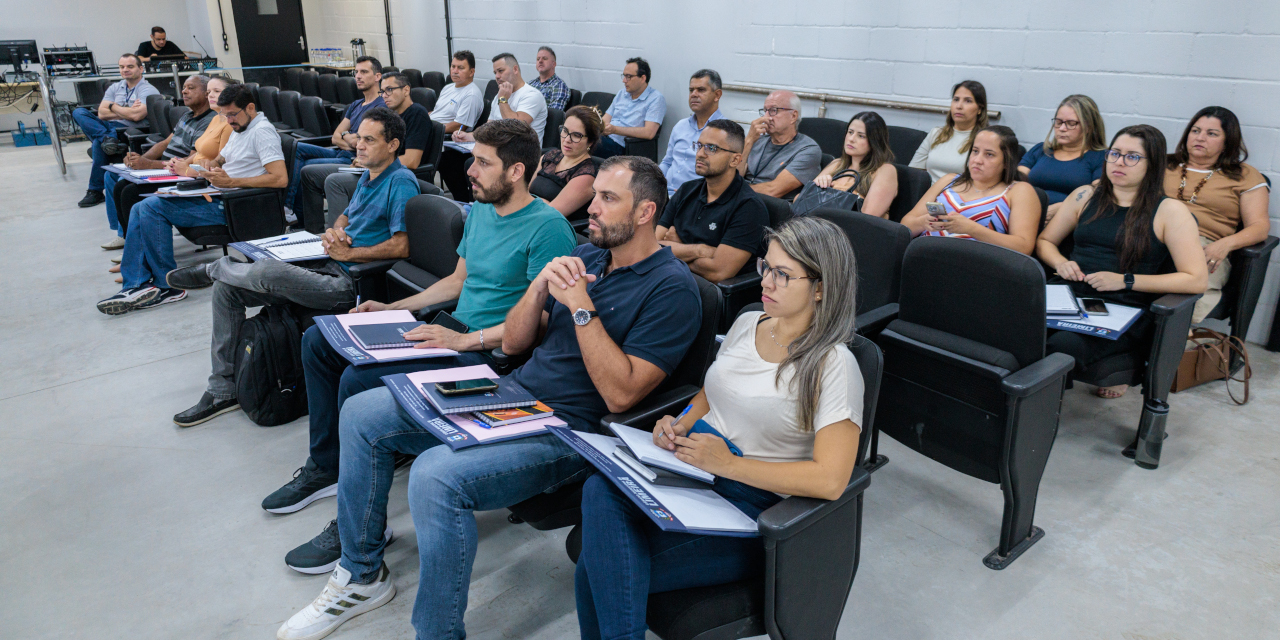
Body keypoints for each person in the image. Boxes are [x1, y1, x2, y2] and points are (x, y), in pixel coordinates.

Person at [276, 156, 702, 640]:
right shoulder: (595, 259)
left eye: (608, 198)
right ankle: (361, 572)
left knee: (436, 477)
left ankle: (437, 633)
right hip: (515, 392)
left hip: (572, 432)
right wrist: (541, 284)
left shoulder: (673, 290)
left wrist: (581, 307)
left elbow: (622, 394)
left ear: (645, 212)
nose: (594, 208)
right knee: (362, 412)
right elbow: (519, 342)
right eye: (596, 194)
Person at [263, 119, 577, 576]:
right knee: (320, 341)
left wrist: (465, 339)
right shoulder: (484, 209)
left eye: (483, 162)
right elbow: (458, 280)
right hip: (450, 330)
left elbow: (537, 325)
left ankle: (362, 524)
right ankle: (326, 468)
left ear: (515, 171)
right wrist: (394, 310)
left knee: (357, 379)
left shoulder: (548, 228)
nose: (470, 169)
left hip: (488, 352)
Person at [575, 215, 864, 640]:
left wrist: (729, 465)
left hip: (756, 511)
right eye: (767, 267)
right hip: (698, 476)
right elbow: (717, 389)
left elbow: (831, 479)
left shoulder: (834, 364)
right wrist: (681, 421)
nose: (765, 281)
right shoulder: (750, 322)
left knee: (598, 569)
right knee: (598, 489)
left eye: (783, 275)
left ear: (820, 287)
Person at [164, 107, 417, 426]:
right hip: (326, 262)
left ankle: (211, 269)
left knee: (268, 271)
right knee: (228, 290)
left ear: (393, 144)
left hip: (348, 284)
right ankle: (222, 389)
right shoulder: (369, 175)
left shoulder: (402, 181)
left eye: (369, 139)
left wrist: (348, 255)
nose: (359, 145)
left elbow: (403, 244)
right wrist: (334, 229)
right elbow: (347, 215)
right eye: (359, 138)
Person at [1037, 125, 1207, 404]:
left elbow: (1196, 279)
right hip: (1068, 294)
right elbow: (1045, 241)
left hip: (1123, 306)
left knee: (1061, 348)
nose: (1119, 162)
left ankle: (1033, 422)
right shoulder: (1085, 196)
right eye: (1114, 154)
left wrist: (1126, 280)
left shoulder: (1170, 212)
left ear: (1152, 165)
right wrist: (1061, 262)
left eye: (1132, 157)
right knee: (1019, 331)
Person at [95, 83, 287, 316]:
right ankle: (136, 283)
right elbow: (220, 160)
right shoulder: (240, 128)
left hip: (237, 205)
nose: (229, 121)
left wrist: (232, 182)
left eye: (232, 115)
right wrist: (209, 166)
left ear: (250, 107)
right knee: (140, 206)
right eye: (225, 116)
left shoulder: (262, 132)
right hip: (218, 193)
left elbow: (279, 179)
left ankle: (166, 286)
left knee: (150, 207)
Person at [1163, 106, 1271, 323]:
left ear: (1227, 142)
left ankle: (1172, 340)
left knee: (1187, 285)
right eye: (1195, 131)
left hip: (1204, 245)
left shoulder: (1245, 175)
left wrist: (1225, 244)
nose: (1200, 138)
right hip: (1154, 236)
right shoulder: (1163, 164)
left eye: (1211, 134)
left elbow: (1260, 227)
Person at [296, 71, 433, 231]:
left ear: (406, 90)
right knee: (308, 172)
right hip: (370, 169)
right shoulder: (389, 116)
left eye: (390, 90)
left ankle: (341, 235)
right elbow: (347, 136)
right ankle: (316, 233)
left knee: (334, 181)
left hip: (389, 175)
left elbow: (411, 160)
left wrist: (366, 164)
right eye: (382, 91)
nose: (385, 96)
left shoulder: (416, 113)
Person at [102, 75, 215, 253]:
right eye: (184, 87)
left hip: (181, 175)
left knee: (129, 192)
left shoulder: (209, 121)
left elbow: (189, 162)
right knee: (120, 186)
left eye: (191, 88)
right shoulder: (187, 115)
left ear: (206, 93)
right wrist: (138, 159)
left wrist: (147, 164)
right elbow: (164, 143)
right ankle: (131, 244)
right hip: (165, 168)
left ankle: (138, 252)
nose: (184, 91)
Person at [657, 119, 768, 283]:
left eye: (711, 148)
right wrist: (700, 250)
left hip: (709, 295)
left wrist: (677, 248)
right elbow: (652, 246)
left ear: (735, 160)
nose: (700, 153)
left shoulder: (749, 207)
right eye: (699, 145)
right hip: (668, 278)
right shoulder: (686, 190)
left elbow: (718, 272)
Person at [901, 125, 1040, 255]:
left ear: (1006, 161)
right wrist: (923, 222)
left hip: (974, 267)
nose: (977, 160)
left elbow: (1024, 247)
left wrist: (971, 229)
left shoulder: (1018, 190)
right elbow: (905, 225)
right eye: (975, 151)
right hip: (924, 256)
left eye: (989, 154)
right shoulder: (949, 180)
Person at [438, 53, 548, 201]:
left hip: (518, 152)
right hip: (497, 149)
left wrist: (503, 99)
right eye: (495, 72)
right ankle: (465, 202)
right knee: (447, 160)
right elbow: (489, 127)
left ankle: (479, 202)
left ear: (515, 69)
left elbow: (517, 126)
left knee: (471, 163)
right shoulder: (500, 95)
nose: (497, 76)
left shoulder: (531, 95)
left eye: (501, 71)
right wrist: (468, 136)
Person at [285, 56, 385, 214]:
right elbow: (335, 136)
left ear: (377, 76)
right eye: (356, 72)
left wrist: (350, 140)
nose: (358, 76)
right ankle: (290, 207)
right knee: (295, 147)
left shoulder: (381, 105)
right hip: (340, 151)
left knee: (305, 166)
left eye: (364, 72)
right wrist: (348, 136)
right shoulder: (356, 105)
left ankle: (295, 212)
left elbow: (362, 142)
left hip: (352, 158)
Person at [73, 53, 161, 212]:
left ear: (141, 69)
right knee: (79, 112)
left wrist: (113, 107)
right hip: (109, 127)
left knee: (99, 144)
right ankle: (107, 138)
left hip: (128, 130)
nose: (125, 70)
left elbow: (137, 116)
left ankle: (95, 190)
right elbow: (101, 113)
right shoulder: (116, 87)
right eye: (122, 67)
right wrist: (127, 110)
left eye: (130, 66)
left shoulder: (147, 89)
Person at [1018, 94, 1107, 223]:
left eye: (1071, 124)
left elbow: (1096, 196)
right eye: (1058, 122)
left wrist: (1062, 208)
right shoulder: (1041, 150)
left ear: (1088, 126)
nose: (1062, 128)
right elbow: (1016, 182)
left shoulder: (1099, 157)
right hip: (1027, 214)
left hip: (1069, 222)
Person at [811, 111, 899, 218]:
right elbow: (800, 200)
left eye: (861, 136)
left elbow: (867, 216)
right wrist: (817, 186)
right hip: (818, 225)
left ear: (875, 141)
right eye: (850, 132)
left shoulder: (885, 170)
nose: (851, 139)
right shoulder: (837, 164)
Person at [739, 90, 822, 200]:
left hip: (771, 207)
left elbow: (773, 190)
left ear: (793, 116)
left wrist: (735, 189)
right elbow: (732, 176)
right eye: (765, 111)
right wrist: (748, 141)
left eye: (773, 110)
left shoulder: (808, 150)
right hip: (740, 199)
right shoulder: (757, 140)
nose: (767, 117)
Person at [528, 105, 602, 222]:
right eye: (565, 131)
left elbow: (550, 214)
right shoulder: (550, 156)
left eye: (576, 135)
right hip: (528, 218)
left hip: (549, 228)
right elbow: (522, 193)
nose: (567, 139)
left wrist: (528, 201)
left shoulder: (587, 175)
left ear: (590, 142)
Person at [659, 68, 725, 196]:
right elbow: (667, 162)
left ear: (717, 95)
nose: (694, 94)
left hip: (695, 198)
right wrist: (655, 183)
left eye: (701, 90)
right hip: (664, 194)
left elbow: (721, 177)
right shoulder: (680, 125)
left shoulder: (724, 131)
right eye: (691, 90)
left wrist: (693, 195)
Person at [910, 80, 989, 181]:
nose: (959, 106)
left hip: (959, 194)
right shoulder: (936, 133)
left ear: (980, 109)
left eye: (968, 101)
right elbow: (914, 170)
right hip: (927, 193)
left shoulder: (984, 140)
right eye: (956, 99)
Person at [596, 57, 666, 159]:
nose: (624, 81)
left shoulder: (656, 99)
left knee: (581, 142)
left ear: (642, 78)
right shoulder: (622, 93)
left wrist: (615, 129)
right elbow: (605, 120)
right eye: (624, 76)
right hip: (605, 138)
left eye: (628, 77)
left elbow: (649, 133)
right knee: (573, 135)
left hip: (624, 147)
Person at [430, 50, 484, 136]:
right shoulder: (447, 87)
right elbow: (439, 112)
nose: (455, 71)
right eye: (453, 66)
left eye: (460, 68)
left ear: (471, 72)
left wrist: (428, 128)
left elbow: (460, 126)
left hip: (441, 137)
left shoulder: (471, 94)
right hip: (430, 129)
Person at [529, 45, 570, 110]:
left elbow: (554, 115)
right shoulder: (530, 84)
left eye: (544, 58)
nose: (540, 61)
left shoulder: (559, 85)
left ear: (553, 64)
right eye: (538, 59)